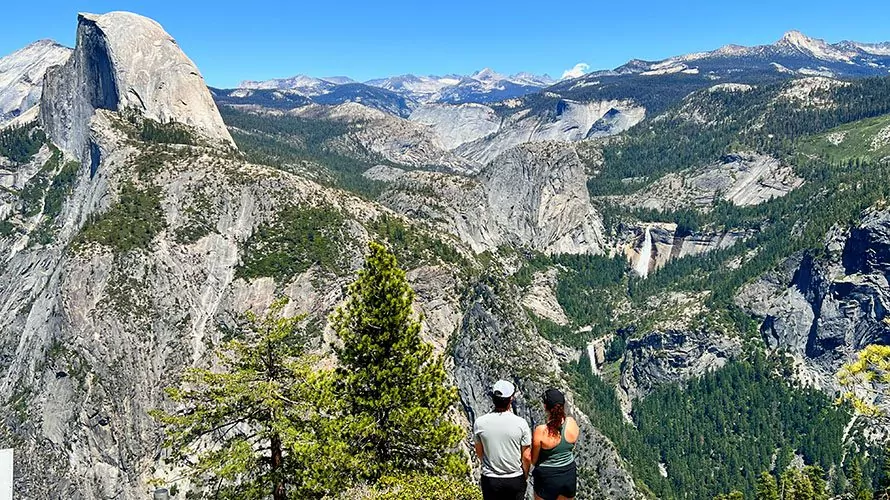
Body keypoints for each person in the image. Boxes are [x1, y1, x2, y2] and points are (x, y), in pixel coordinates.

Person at [473, 380, 532, 500]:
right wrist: (524, 476)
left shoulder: (480, 423)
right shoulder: (521, 424)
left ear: (493, 399)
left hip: (491, 479)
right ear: (511, 399)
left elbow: (479, 452)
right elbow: (526, 457)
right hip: (514, 479)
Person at [531, 388, 579, 500]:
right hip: (568, 474)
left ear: (545, 407)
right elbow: (572, 446)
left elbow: (534, 460)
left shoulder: (541, 431)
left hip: (547, 478)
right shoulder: (571, 423)